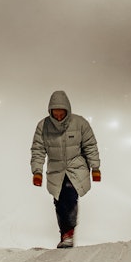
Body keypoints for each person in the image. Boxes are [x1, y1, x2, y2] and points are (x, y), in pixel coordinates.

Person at [30, 90, 101, 248]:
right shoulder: (44, 126)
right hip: (56, 171)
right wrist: (37, 171)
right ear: (51, 111)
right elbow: (38, 150)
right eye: (56, 112)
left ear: (67, 110)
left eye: (62, 112)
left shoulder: (80, 123)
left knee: (69, 196)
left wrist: (95, 167)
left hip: (76, 168)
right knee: (59, 202)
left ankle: (68, 234)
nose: (59, 116)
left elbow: (90, 146)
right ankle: (65, 234)